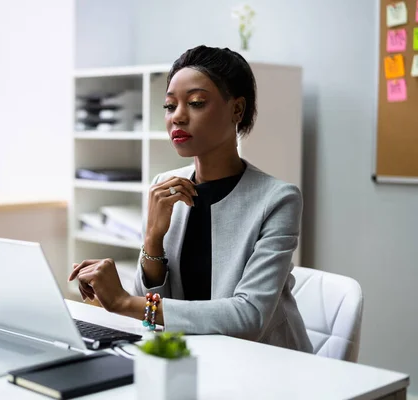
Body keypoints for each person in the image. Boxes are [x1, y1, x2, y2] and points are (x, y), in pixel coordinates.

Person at [69, 45, 312, 352]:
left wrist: (124, 303)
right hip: (193, 355)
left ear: (237, 109)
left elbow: (249, 317)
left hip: (266, 362)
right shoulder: (163, 187)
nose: (178, 118)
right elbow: (155, 314)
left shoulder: (278, 200)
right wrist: (153, 238)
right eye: (170, 106)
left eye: (196, 103)